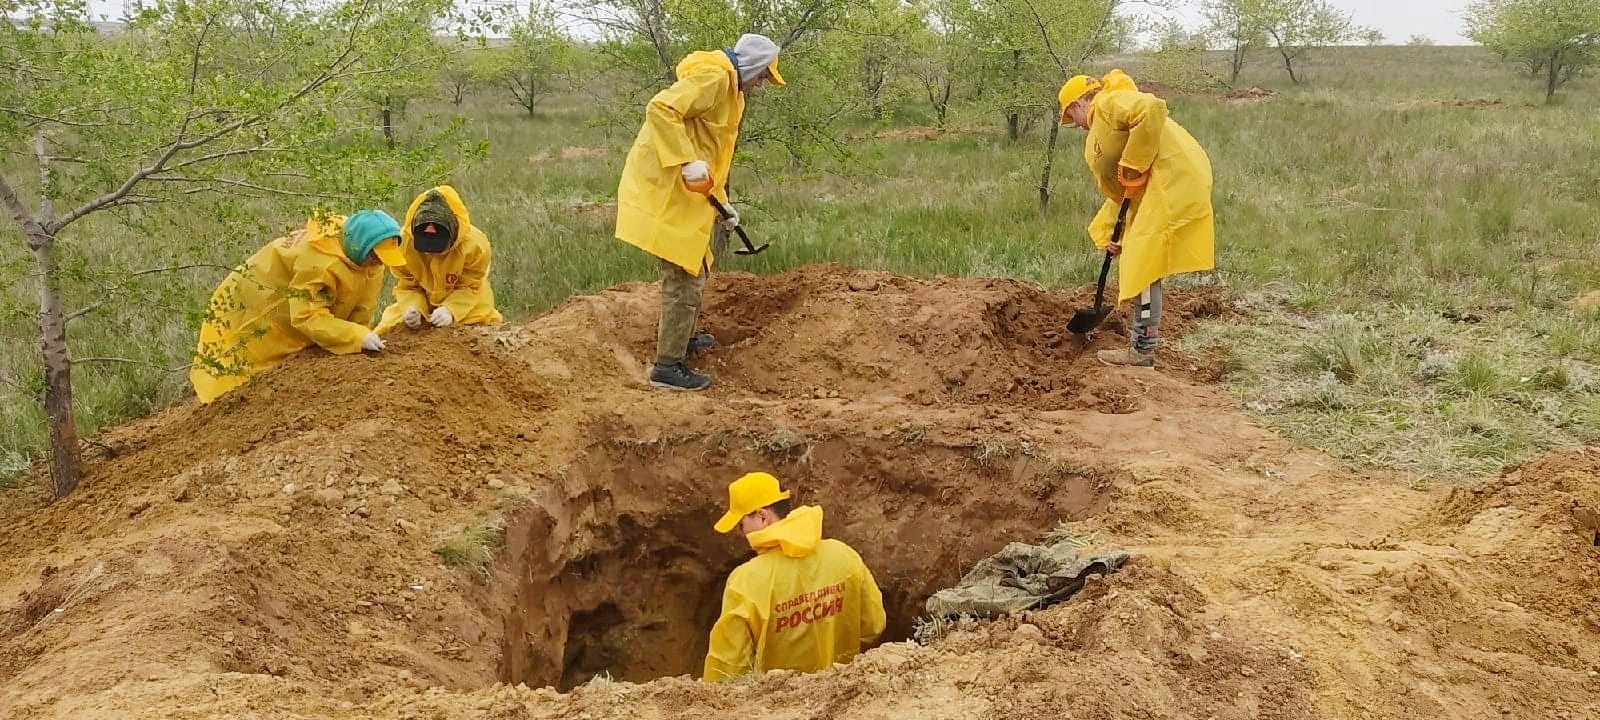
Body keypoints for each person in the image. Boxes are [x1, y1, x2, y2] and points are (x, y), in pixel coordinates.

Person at [614, 33, 786, 391]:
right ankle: (667, 368)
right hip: (667, 188)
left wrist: (723, 205)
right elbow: (661, 108)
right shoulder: (715, 78)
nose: (762, 84)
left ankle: (682, 339)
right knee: (684, 275)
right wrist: (685, 159)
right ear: (753, 67)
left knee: (698, 262)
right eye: (763, 76)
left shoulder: (732, 94)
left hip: (688, 191)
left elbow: (712, 154)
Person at [1058, 68, 1215, 368]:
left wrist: (1134, 163)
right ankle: (1142, 346)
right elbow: (1123, 191)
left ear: (1078, 104)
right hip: (1156, 191)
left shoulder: (1107, 103)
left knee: (1141, 266)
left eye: (1071, 117)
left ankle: (1141, 350)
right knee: (1137, 258)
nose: (1075, 126)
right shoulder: (1103, 122)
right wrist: (1112, 234)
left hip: (1171, 185)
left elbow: (1151, 108)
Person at [189, 210, 404, 403]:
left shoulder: (365, 252)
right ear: (359, 247)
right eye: (375, 256)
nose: (379, 262)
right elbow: (306, 316)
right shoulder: (319, 264)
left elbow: (362, 302)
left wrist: (358, 337)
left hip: (289, 302)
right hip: (255, 304)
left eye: (383, 257)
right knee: (244, 368)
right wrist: (355, 336)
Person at [703, 472, 886, 683]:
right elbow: (874, 626)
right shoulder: (843, 555)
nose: (740, 532)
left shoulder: (744, 581)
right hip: (842, 697)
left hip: (778, 706)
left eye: (741, 524)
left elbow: (727, 670)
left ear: (763, 517)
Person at [375, 185, 503, 333]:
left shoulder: (475, 247)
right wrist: (413, 307)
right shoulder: (403, 244)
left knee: (484, 323)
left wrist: (451, 310)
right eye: (424, 247)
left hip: (467, 302)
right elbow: (408, 286)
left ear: (452, 237)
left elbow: (470, 286)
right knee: (387, 328)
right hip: (424, 298)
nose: (430, 254)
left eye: (438, 248)